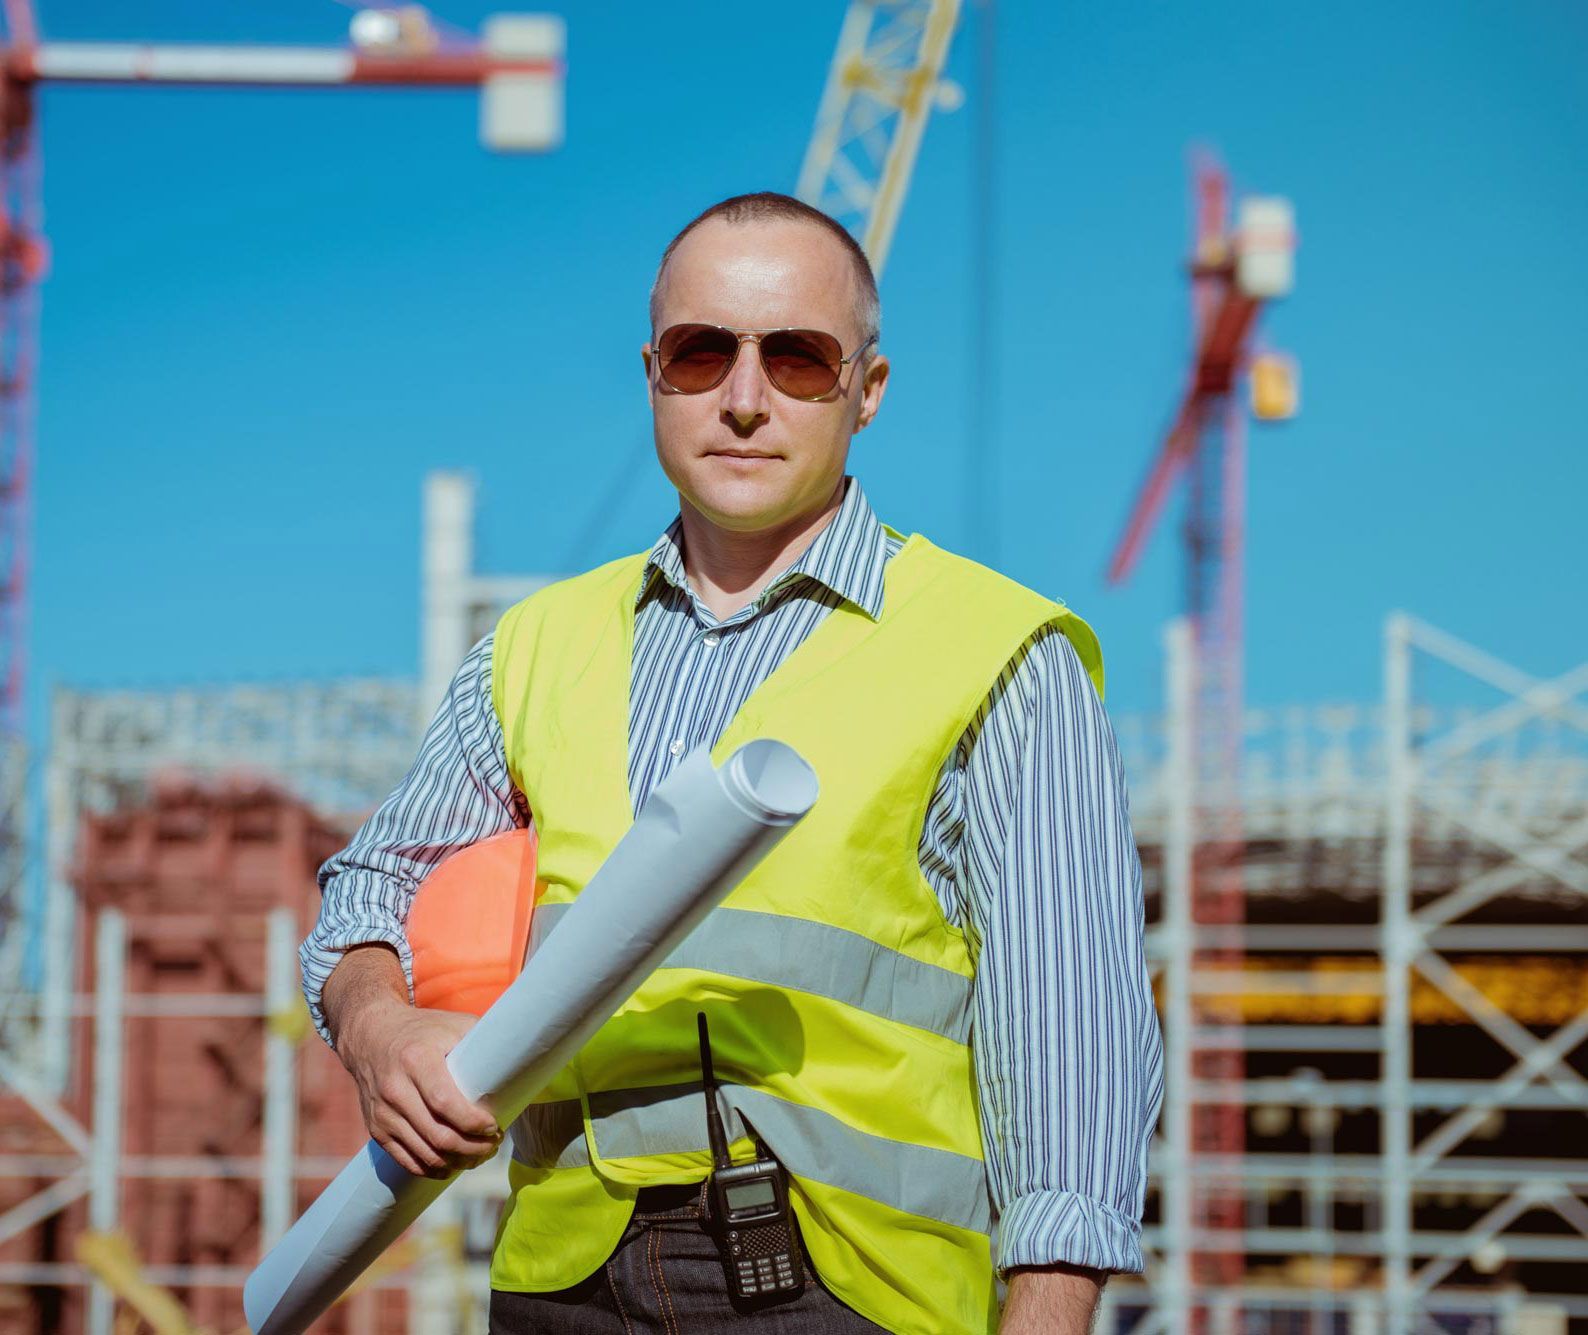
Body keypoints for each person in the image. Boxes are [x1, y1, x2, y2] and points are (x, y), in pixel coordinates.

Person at [302, 191, 1163, 1335]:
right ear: (652, 374)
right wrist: (378, 1026)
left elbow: (1070, 1040)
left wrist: (1046, 1314)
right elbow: (371, 889)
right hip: (562, 1282)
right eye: (702, 354)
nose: (745, 400)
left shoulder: (997, 653)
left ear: (869, 390)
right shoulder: (535, 646)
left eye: (798, 360)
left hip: (855, 1293)